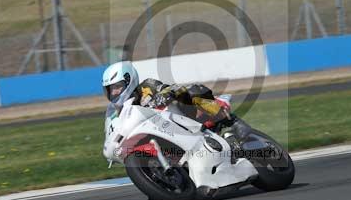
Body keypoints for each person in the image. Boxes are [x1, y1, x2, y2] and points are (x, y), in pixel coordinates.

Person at [102, 61, 251, 144]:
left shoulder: (147, 86)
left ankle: (232, 121)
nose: (114, 92)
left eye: (117, 87)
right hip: (165, 136)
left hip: (185, 119)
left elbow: (170, 89)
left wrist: (161, 96)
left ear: (129, 80)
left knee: (191, 90)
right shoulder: (118, 111)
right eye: (110, 89)